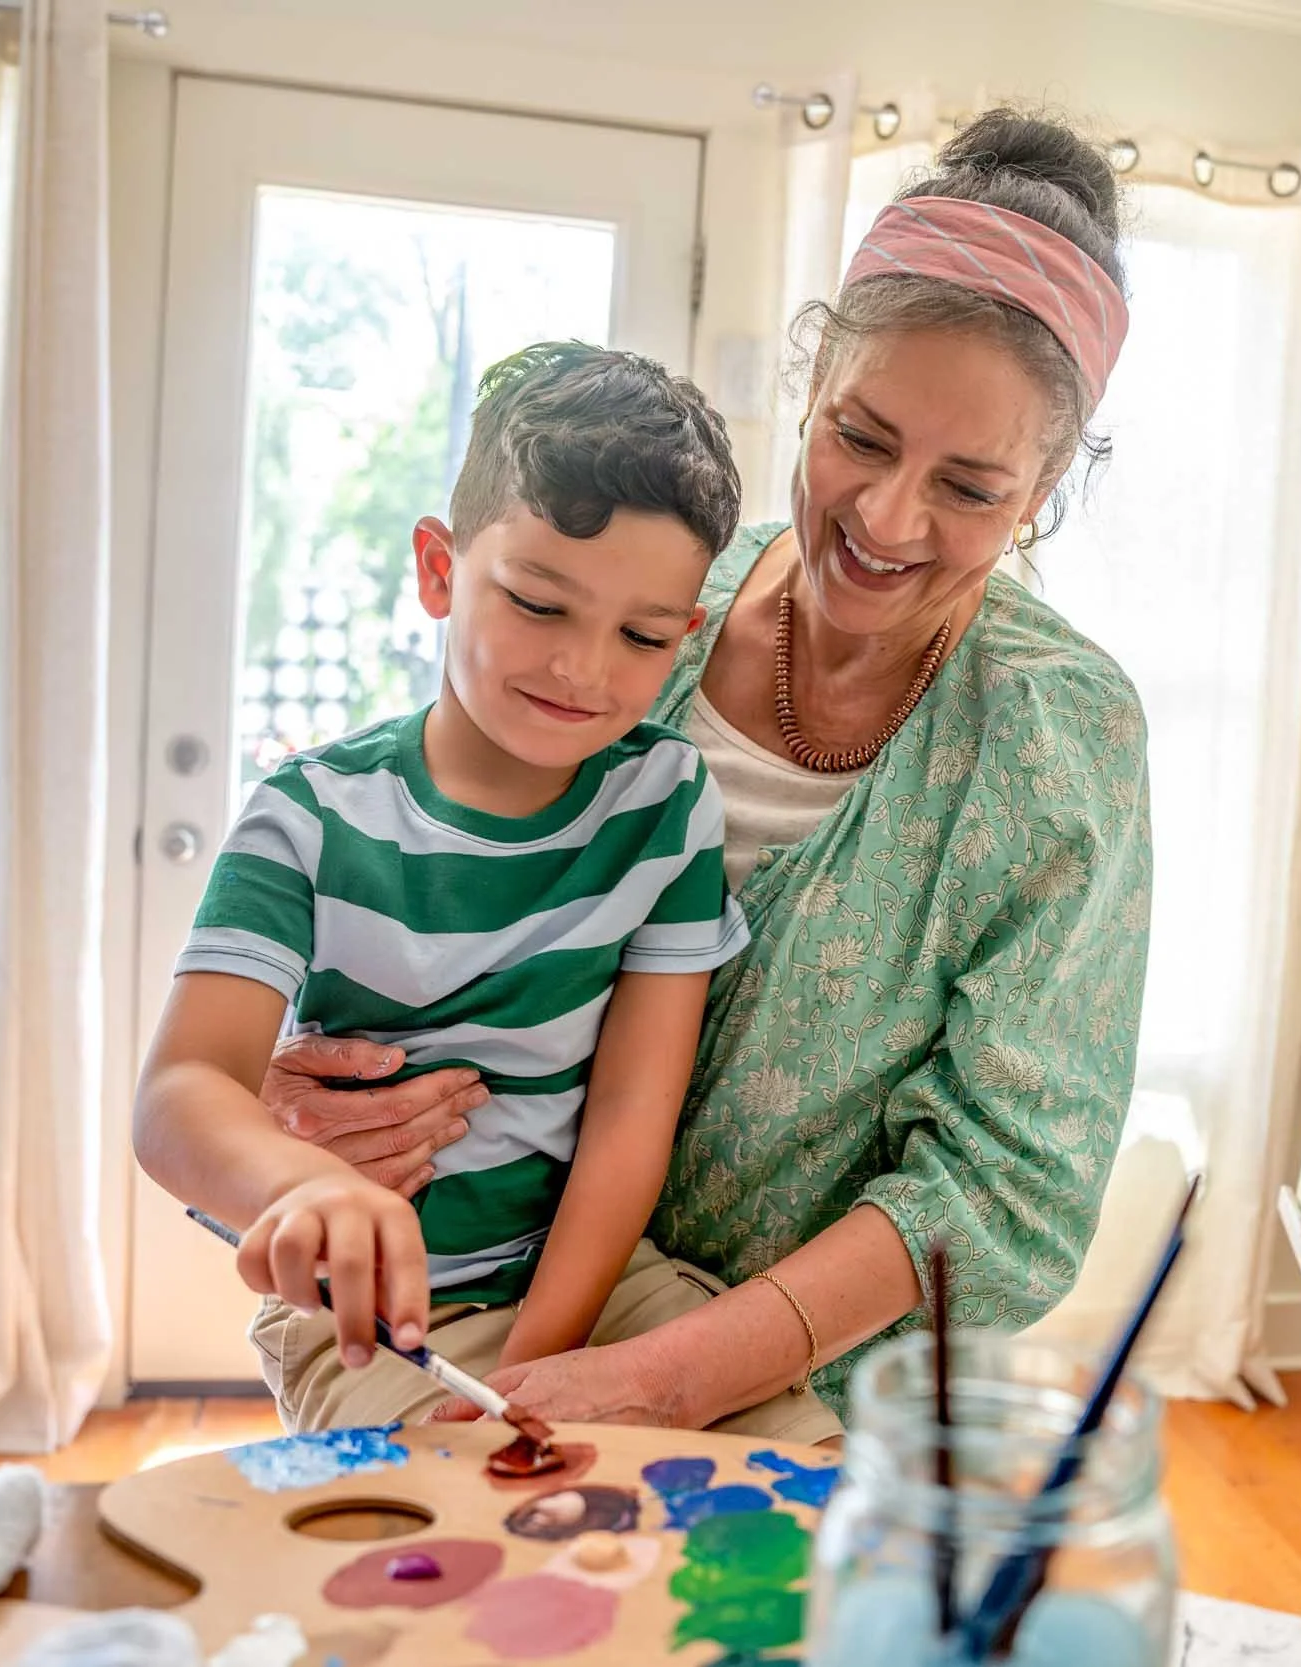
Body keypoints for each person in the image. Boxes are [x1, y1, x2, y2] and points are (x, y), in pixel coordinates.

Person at [251, 109, 1154, 1438]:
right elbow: (432, 863)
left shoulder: (1063, 736)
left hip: (798, 1391)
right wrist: (288, 1089)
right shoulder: (644, 605)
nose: (889, 520)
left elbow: (1009, 1188)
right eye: (859, 436)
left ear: (1046, 486)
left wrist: (672, 1372)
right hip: (465, 1298)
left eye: (970, 486)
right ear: (812, 378)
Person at [133, 342, 802, 1424]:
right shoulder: (308, 815)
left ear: (682, 638)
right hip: (379, 1319)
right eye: (539, 606)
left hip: (598, 1288)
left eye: (636, 635)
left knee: (806, 1480)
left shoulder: (666, 801)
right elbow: (177, 1095)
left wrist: (541, 1364)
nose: (581, 668)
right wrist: (305, 1185)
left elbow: (635, 1112)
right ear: (440, 570)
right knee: (451, 1568)